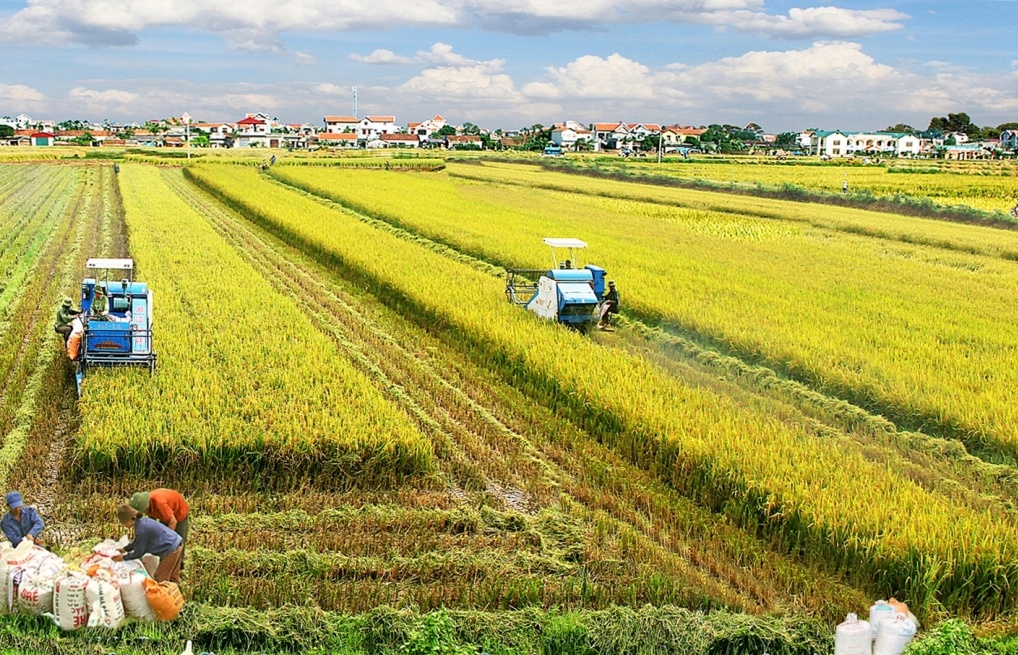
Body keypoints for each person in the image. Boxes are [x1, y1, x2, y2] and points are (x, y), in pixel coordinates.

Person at [113, 504, 183, 584]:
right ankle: (176, 594)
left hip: (171, 549)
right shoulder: (142, 522)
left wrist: (123, 557)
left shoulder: (141, 530)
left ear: (128, 520)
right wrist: (125, 549)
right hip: (177, 542)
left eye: (124, 523)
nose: (124, 525)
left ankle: (164, 596)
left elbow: (139, 552)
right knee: (172, 577)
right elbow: (137, 542)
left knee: (160, 578)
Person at [130, 489, 189, 569]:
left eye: (145, 510)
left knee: (178, 541)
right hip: (166, 514)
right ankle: (162, 561)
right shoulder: (148, 506)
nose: (145, 512)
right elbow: (152, 521)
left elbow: (173, 521)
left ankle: (178, 566)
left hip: (178, 512)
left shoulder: (159, 503)